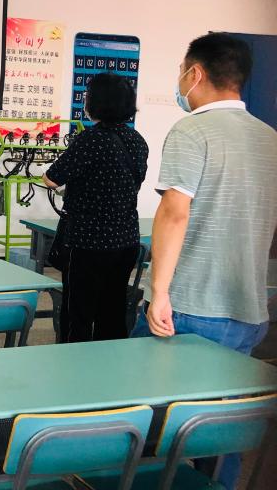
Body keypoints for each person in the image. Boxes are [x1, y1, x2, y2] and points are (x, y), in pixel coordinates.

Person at [132, 32, 277, 490]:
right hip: (249, 310)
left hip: (191, 306)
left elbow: (175, 213)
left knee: (149, 420)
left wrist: (159, 292)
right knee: (223, 424)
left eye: (181, 71)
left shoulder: (192, 130)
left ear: (195, 73)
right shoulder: (269, 138)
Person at [44, 73, 148, 343]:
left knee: (77, 313)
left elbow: (52, 178)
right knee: (112, 311)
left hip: (88, 241)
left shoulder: (90, 139)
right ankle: (109, 362)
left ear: (96, 102)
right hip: (126, 240)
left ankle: (74, 361)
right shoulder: (137, 141)